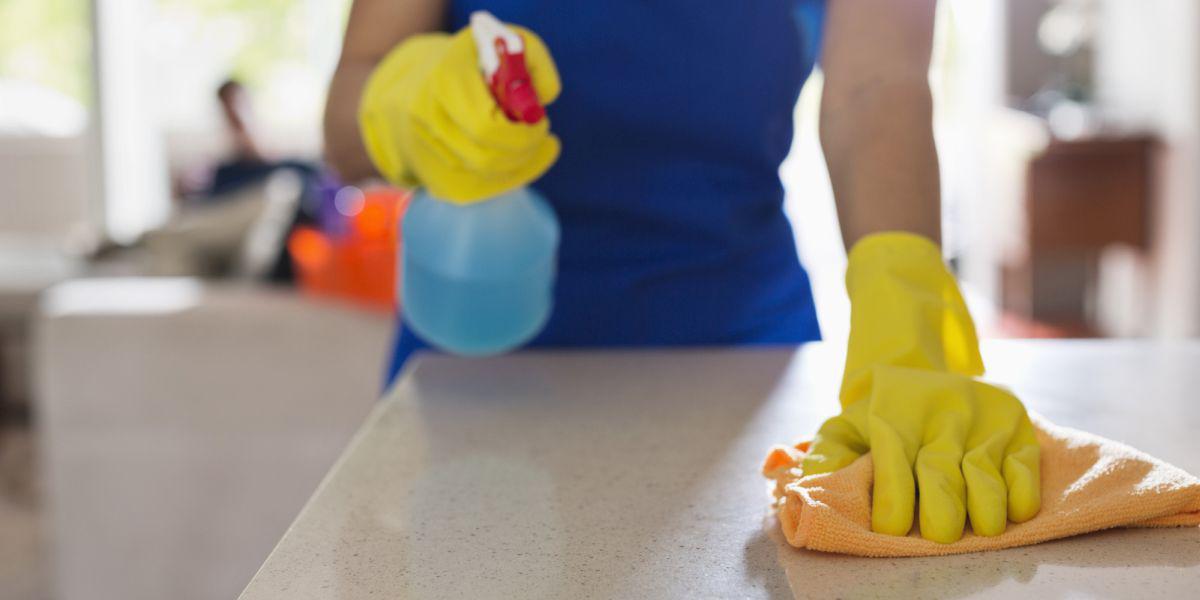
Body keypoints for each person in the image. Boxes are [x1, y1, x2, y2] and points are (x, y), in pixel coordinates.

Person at [324, 1, 1042, 544]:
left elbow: (876, 84)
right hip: (478, 348)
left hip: (744, 356)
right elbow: (342, 120)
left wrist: (903, 298)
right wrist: (405, 101)